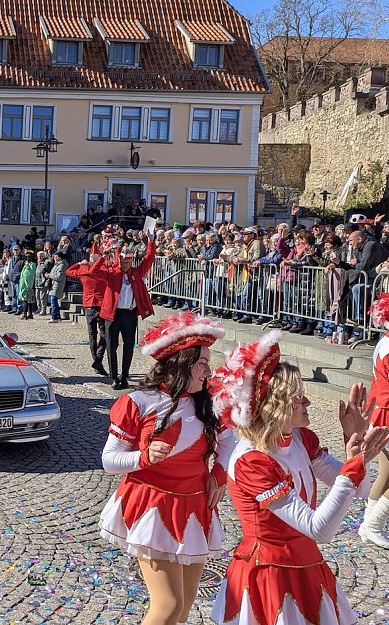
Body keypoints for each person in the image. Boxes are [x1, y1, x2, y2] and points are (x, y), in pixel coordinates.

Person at [209, 331, 388, 624]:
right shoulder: (251, 460)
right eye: (297, 398)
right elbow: (319, 529)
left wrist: (354, 450)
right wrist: (354, 464)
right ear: (273, 406)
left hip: (307, 565)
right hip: (269, 573)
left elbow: (361, 490)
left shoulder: (300, 439)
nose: (308, 402)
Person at [100, 313, 231, 625]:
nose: (208, 371)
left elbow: (229, 442)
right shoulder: (139, 401)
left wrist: (219, 475)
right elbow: (109, 460)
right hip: (154, 509)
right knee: (169, 606)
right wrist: (143, 457)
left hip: (195, 508)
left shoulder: (208, 402)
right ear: (179, 362)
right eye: (201, 363)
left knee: (183, 608)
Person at [98, 235, 156, 390]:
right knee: (111, 346)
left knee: (129, 346)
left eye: (127, 262)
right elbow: (95, 270)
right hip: (112, 314)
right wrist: (103, 257)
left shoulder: (136, 272)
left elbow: (149, 259)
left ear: (131, 261)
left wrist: (150, 241)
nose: (124, 265)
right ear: (119, 260)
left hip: (129, 314)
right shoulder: (112, 272)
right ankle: (114, 376)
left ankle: (124, 375)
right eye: (122, 262)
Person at [361, 293, 389, 549]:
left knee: (387, 471)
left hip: (382, 412)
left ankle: (368, 523)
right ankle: (374, 524)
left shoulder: (385, 342)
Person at [66, 250, 111, 375]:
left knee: (92, 335)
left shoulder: (83, 271)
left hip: (88, 304)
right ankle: (98, 359)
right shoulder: (103, 271)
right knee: (104, 334)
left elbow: (68, 271)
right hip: (101, 304)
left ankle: (96, 361)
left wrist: (79, 263)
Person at [45, 252, 67, 323]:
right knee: (55, 301)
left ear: (60, 257)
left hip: (57, 285)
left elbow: (59, 277)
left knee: (53, 301)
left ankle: (54, 317)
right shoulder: (56, 265)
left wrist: (49, 275)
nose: (55, 258)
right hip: (53, 285)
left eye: (56, 257)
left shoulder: (62, 266)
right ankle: (57, 316)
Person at [17, 254, 37, 319]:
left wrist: (28, 266)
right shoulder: (24, 266)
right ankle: (28, 314)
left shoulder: (32, 265)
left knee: (27, 300)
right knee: (26, 300)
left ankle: (25, 313)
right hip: (23, 285)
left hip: (28, 285)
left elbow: (31, 273)